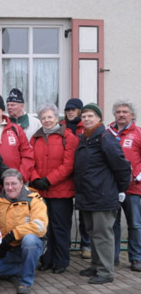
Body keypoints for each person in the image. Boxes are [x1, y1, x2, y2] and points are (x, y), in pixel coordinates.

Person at [75, 103, 131, 284]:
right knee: (92, 232)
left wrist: (120, 189)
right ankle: (96, 265)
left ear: (99, 118)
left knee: (103, 234)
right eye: (84, 116)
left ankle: (106, 272)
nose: (87, 119)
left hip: (103, 195)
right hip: (88, 195)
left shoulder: (105, 138)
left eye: (90, 116)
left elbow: (122, 167)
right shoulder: (85, 138)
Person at [30, 104, 78, 274]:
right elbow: (30, 160)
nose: (47, 120)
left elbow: (68, 165)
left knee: (60, 227)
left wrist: (49, 180)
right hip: (40, 190)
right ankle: (48, 258)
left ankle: (61, 260)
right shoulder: (35, 138)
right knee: (45, 227)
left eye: (50, 117)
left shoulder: (68, 137)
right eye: (43, 118)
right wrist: (35, 178)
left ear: (56, 118)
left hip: (61, 190)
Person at [0, 169, 48, 294]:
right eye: (7, 184)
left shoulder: (35, 200)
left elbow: (40, 226)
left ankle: (25, 281)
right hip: (5, 248)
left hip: (28, 245)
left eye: (13, 183)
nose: (10, 187)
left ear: (21, 183)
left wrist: (13, 235)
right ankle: (22, 268)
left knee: (29, 240)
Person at [107, 100, 141, 271]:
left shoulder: (138, 133)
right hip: (111, 188)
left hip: (133, 188)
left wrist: (137, 176)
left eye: (125, 112)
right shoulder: (108, 133)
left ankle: (136, 258)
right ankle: (112, 258)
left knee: (135, 224)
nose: (121, 114)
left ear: (132, 115)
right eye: (118, 111)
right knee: (112, 224)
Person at [0, 93, 34, 189]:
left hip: (13, 186)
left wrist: (21, 177)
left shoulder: (16, 129)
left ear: (2, 111)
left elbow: (27, 155)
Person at [60, 97, 89, 258]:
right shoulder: (60, 126)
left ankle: (86, 244)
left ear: (80, 111)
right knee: (64, 214)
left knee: (84, 213)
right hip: (65, 176)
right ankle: (66, 245)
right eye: (68, 110)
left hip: (82, 175)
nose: (70, 112)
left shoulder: (85, 127)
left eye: (73, 109)